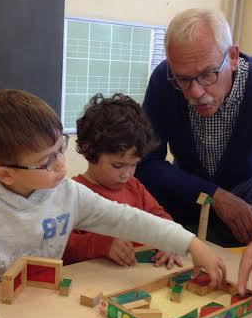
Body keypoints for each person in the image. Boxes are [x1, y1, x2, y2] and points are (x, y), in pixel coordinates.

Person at [0, 89, 225, 306]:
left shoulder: (69, 194)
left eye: (60, 149)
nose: (62, 165)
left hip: (34, 304)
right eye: (47, 162)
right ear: (5, 175)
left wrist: (191, 243)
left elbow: (128, 219)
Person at [136, 8, 252, 297]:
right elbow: (146, 163)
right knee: (138, 192)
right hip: (196, 192)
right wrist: (214, 194)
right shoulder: (163, 80)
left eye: (207, 74)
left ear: (232, 56)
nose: (194, 92)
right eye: (182, 79)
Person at [64, 93, 182, 268]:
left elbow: (160, 218)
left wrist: (169, 240)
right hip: (92, 283)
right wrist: (101, 244)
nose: (126, 175)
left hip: (134, 280)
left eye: (134, 164)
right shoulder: (72, 193)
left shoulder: (134, 187)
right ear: (89, 151)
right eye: (118, 166)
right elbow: (62, 246)